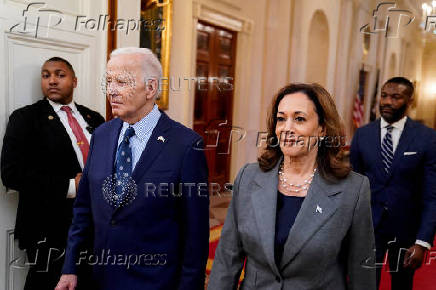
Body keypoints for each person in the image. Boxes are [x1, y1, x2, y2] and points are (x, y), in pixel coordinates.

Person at [55, 47, 210, 290]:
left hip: (154, 282)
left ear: (150, 88)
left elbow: (195, 235)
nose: (112, 90)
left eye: (122, 82)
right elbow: (83, 208)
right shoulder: (102, 135)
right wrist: (71, 267)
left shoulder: (186, 146)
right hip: (99, 279)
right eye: (108, 81)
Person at [208, 83, 376, 290]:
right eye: (281, 119)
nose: (287, 128)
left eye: (299, 119)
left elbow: (361, 270)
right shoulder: (248, 177)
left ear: (322, 129)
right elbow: (227, 258)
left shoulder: (353, 190)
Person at [0, 57, 105, 289]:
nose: (52, 81)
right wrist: (71, 186)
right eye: (46, 75)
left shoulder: (94, 118)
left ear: (74, 81)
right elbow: (11, 174)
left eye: (60, 74)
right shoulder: (25, 118)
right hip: (46, 227)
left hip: (94, 223)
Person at [350, 77, 436, 290]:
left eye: (396, 97)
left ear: (410, 101)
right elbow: (353, 187)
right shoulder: (363, 135)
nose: (387, 102)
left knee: (402, 285)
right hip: (368, 227)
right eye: (384, 95)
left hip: (406, 230)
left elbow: (431, 194)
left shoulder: (427, 138)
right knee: (364, 284)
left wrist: (422, 242)